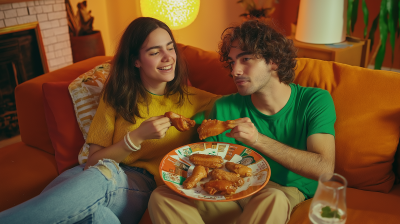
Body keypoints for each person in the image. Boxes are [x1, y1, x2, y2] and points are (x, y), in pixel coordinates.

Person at [0, 17, 218, 224]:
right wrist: (135, 138)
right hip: (93, 175)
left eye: (170, 47)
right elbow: (93, 161)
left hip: (141, 183)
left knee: (100, 178)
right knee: (96, 215)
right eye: (154, 52)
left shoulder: (196, 99)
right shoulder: (117, 95)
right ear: (136, 61)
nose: (168, 56)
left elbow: (244, 103)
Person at [148, 20, 336, 224]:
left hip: (280, 192)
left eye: (245, 59)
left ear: (274, 61)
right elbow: (206, 155)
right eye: (232, 62)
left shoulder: (314, 100)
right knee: (161, 197)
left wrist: (257, 140)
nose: (235, 71)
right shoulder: (224, 108)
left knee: (273, 199)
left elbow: (324, 168)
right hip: (233, 190)